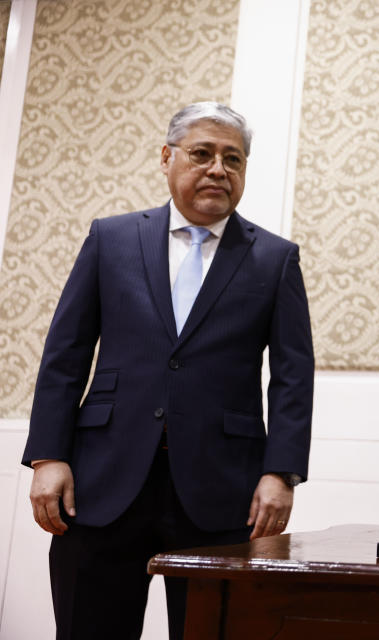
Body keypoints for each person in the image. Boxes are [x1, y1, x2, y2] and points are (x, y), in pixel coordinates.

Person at [22, 102, 314, 640]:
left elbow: (294, 375)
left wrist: (282, 472)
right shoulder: (110, 240)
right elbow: (66, 353)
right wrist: (48, 455)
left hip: (224, 492)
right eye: (202, 154)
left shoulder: (275, 259)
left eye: (234, 159)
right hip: (100, 482)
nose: (218, 169)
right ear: (166, 157)